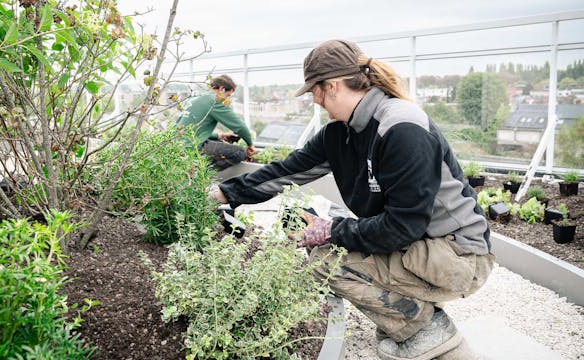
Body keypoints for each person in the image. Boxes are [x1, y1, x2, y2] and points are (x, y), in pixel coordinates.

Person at [210, 40, 494, 360]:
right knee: (332, 249)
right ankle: (411, 315)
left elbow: (403, 226)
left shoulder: (401, 127)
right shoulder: (342, 132)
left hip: (458, 254)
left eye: (314, 93)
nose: (315, 102)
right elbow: (287, 171)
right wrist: (225, 194)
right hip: (420, 245)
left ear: (331, 86)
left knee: (329, 261)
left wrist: (332, 229)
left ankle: (430, 332)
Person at [176, 75, 256, 170]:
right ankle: (200, 173)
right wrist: (250, 145)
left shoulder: (197, 97)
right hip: (191, 148)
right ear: (222, 89)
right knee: (240, 153)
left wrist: (220, 135)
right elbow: (240, 127)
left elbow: (190, 131)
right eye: (228, 95)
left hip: (178, 145)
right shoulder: (215, 100)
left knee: (218, 142)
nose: (227, 99)